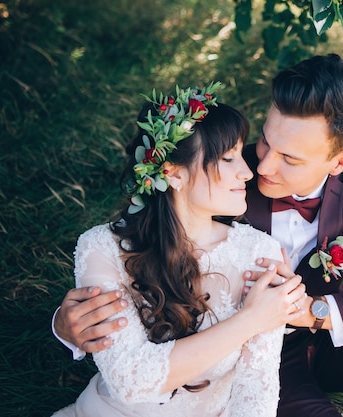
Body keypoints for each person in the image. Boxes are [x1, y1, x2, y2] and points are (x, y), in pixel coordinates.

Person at [54, 54, 343, 417]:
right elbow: (148, 234)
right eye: (264, 141)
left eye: (290, 159)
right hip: (247, 360)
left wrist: (312, 311)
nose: (260, 167)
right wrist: (65, 326)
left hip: (324, 338)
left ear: (339, 162)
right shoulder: (219, 177)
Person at [52, 84, 307, 417]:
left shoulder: (260, 251)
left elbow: (256, 392)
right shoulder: (102, 248)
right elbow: (131, 380)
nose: (247, 172)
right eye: (228, 158)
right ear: (172, 172)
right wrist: (252, 319)